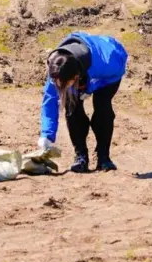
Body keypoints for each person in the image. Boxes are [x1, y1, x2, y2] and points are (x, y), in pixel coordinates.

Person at [37, 32, 128, 174]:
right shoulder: (57, 66)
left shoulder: (109, 61)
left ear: (76, 76)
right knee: (71, 106)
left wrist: (91, 87)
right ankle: (81, 157)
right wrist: (46, 136)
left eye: (65, 83)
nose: (61, 87)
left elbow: (117, 72)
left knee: (103, 107)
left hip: (107, 75)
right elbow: (50, 102)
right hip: (79, 72)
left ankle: (104, 157)